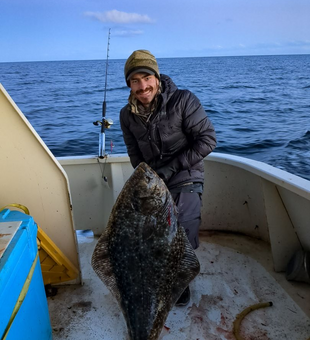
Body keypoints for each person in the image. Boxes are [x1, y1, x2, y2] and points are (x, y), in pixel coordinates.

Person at [120, 50, 217, 306]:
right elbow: (134, 155)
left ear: (156, 77)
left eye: (146, 78)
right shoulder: (126, 115)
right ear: (129, 84)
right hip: (154, 179)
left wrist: (170, 169)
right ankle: (156, 271)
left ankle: (180, 281)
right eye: (135, 81)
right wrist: (147, 181)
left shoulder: (183, 100)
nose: (142, 87)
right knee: (143, 230)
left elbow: (208, 139)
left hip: (186, 173)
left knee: (181, 225)